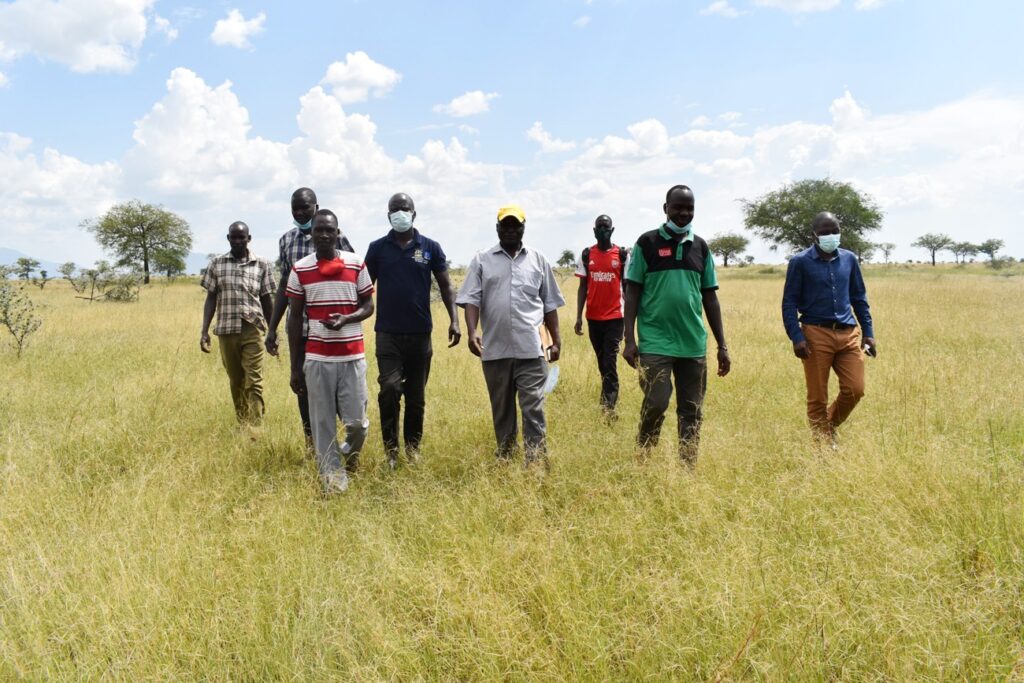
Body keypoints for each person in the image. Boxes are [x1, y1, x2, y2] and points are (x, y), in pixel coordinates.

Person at [622, 185, 731, 466]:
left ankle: (687, 466)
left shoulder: (701, 247)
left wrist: (722, 345)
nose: (683, 213)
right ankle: (643, 458)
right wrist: (629, 340)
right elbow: (632, 291)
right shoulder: (646, 243)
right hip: (655, 342)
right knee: (656, 403)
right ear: (665, 208)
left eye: (689, 208)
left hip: (693, 343)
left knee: (692, 410)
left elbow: (710, 297)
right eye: (678, 207)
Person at [456, 205, 565, 465]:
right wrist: (472, 332)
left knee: (533, 408)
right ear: (497, 228)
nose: (510, 230)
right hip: (495, 350)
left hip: (532, 349)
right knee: (502, 411)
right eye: (505, 225)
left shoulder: (538, 260)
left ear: (523, 228)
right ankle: (506, 458)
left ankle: (536, 462)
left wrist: (556, 340)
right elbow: (471, 298)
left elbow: (549, 303)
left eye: (515, 225)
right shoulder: (482, 259)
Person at [364, 192, 461, 469]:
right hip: (388, 335)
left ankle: (412, 449)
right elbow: (363, 286)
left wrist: (454, 320)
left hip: (420, 335)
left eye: (404, 209)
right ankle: (391, 451)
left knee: (416, 397)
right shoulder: (377, 249)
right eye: (395, 210)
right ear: (388, 215)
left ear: (414, 213)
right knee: (390, 390)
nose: (400, 213)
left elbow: (445, 286)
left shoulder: (430, 247)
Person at [286, 210, 374, 494]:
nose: (324, 235)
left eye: (329, 230)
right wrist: (295, 367)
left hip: (352, 358)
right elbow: (295, 319)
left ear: (337, 233)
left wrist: (346, 319)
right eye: (319, 230)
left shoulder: (356, 264)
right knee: (322, 426)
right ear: (311, 235)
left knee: (358, 424)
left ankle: (347, 454)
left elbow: (368, 306)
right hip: (317, 359)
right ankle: (334, 482)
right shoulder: (300, 269)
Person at [265, 187, 355, 448]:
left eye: (305, 207)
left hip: (331, 329)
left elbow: (353, 273)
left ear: (316, 207)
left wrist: (348, 319)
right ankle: (312, 444)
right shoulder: (286, 240)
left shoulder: (337, 237)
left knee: (338, 390)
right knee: (303, 387)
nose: (299, 212)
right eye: (295, 208)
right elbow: (284, 285)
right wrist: (272, 328)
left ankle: (346, 444)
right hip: (300, 329)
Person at [782, 211, 876, 445]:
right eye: (824, 232)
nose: (830, 236)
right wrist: (796, 336)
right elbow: (789, 302)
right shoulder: (800, 262)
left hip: (848, 334)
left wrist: (869, 333)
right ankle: (823, 448)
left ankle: (828, 427)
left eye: (834, 231)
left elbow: (859, 298)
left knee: (855, 389)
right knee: (817, 397)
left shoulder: (850, 259)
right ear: (814, 234)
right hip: (815, 334)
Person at [200, 221, 275, 426]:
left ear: (248, 239)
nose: (237, 241)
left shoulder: (262, 264)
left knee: (254, 380)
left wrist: (273, 331)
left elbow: (267, 299)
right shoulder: (217, 263)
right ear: (228, 238)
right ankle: (243, 424)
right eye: (233, 237)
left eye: (241, 237)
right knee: (236, 381)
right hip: (226, 330)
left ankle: (256, 428)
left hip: (253, 329)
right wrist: (204, 331)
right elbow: (211, 298)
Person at [574, 214, 628, 418]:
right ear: (594, 230)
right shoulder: (587, 254)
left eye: (606, 227)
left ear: (612, 230)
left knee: (609, 361)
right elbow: (582, 287)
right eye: (599, 227)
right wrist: (579, 316)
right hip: (593, 318)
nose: (603, 230)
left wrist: (630, 321)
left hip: (615, 318)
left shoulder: (622, 255)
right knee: (601, 361)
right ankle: (606, 398)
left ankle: (609, 409)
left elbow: (627, 288)